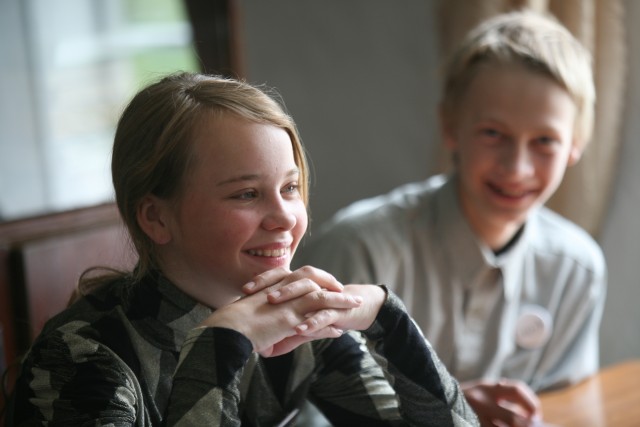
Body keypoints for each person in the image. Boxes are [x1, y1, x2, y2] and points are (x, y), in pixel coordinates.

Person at [6, 72, 478, 426]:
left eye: (289, 188)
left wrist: (385, 315)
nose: (284, 217)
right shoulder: (79, 360)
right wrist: (222, 345)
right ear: (156, 218)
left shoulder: (297, 327)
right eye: (246, 194)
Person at [295, 9, 606, 427]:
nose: (516, 168)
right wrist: (441, 410)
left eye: (545, 141)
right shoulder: (359, 250)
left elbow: (565, 407)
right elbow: (303, 412)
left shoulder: (576, 269)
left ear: (576, 145)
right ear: (450, 127)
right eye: (493, 133)